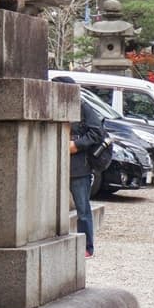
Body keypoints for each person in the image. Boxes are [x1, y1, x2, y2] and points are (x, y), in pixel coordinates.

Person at [56, 75, 96, 258]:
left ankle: (87, 246)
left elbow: (97, 132)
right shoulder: (52, 105)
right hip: (55, 163)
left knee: (82, 208)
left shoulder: (83, 107)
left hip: (78, 166)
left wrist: (77, 145)